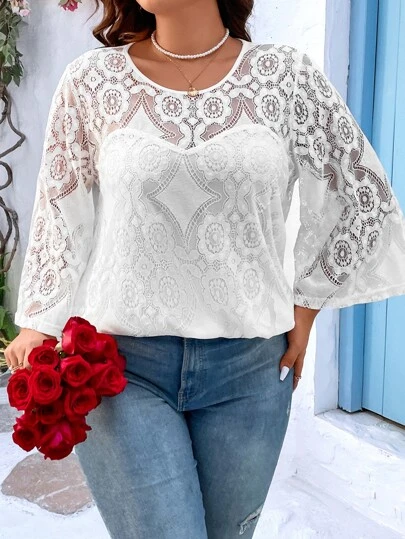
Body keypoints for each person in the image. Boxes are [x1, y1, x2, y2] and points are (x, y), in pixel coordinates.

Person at [5, 0, 405, 537]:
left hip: (251, 373)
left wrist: (306, 304)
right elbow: (60, 210)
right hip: (121, 371)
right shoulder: (92, 82)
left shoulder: (284, 77)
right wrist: (40, 320)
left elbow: (363, 198)